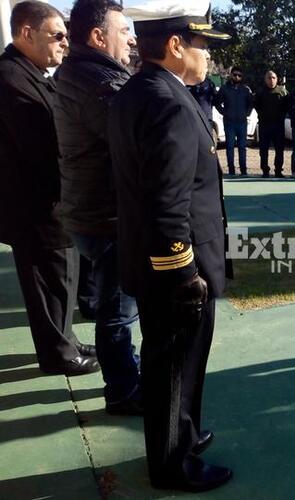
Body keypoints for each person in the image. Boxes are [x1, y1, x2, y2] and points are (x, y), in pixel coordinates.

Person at [108, 0, 233, 490]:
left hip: (152, 261)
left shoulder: (139, 91)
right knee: (175, 363)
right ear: (176, 46)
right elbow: (167, 204)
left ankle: (183, 434)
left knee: (172, 360)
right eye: (202, 46)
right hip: (178, 271)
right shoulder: (169, 102)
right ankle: (172, 463)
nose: (209, 57)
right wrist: (183, 274)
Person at [0, 0, 99, 376]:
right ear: (27, 33)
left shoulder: (30, 73)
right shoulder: (10, 77)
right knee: (49, 281)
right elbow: (42, 145)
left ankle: (66, 340)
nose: (64, 44)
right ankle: (58, 353)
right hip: (35, 206)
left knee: (63, 277)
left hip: (50, 203)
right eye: (57, 35)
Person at [53, 0, 142, 413]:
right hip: (105, 216)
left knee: (115, 306)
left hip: (93, 211)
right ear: (97, 37)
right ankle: (123, 390)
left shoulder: (84, 72)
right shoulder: (98, 82)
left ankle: (125, 372)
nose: (132, 39)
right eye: (124, 31)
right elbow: (136, 140)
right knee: (118, 312)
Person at [214, 66, 252, 175]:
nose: (237, 77)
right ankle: (231, 170)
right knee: (230, 146)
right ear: (231, 75)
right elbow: (216, 103)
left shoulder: (245, 89)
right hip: (229, 122)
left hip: (242, 122)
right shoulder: (224, 89)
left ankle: (243, 170)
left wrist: (247, 113)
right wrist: (224, 112)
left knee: (242, 147)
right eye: (235, 74)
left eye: (239, 75)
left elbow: (250, 104)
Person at [254, 70, 289, 178]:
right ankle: (265, 170)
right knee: (263, 150)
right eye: (269, 78)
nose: (271, 80)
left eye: (273, 77)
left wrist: (282, 116)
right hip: (264, 125)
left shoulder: (282, 91)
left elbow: (287, 105)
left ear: (277, 79)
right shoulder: (260, 92)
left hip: (278, 126)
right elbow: (256, 105)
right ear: (265, 79)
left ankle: (278, 170)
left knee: (279, 149)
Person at [188, 75, 217, 142]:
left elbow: (216, 100)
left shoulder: (209, 83)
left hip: (207, 118)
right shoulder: (188, 82)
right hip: (192, 118)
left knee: (208, 143)